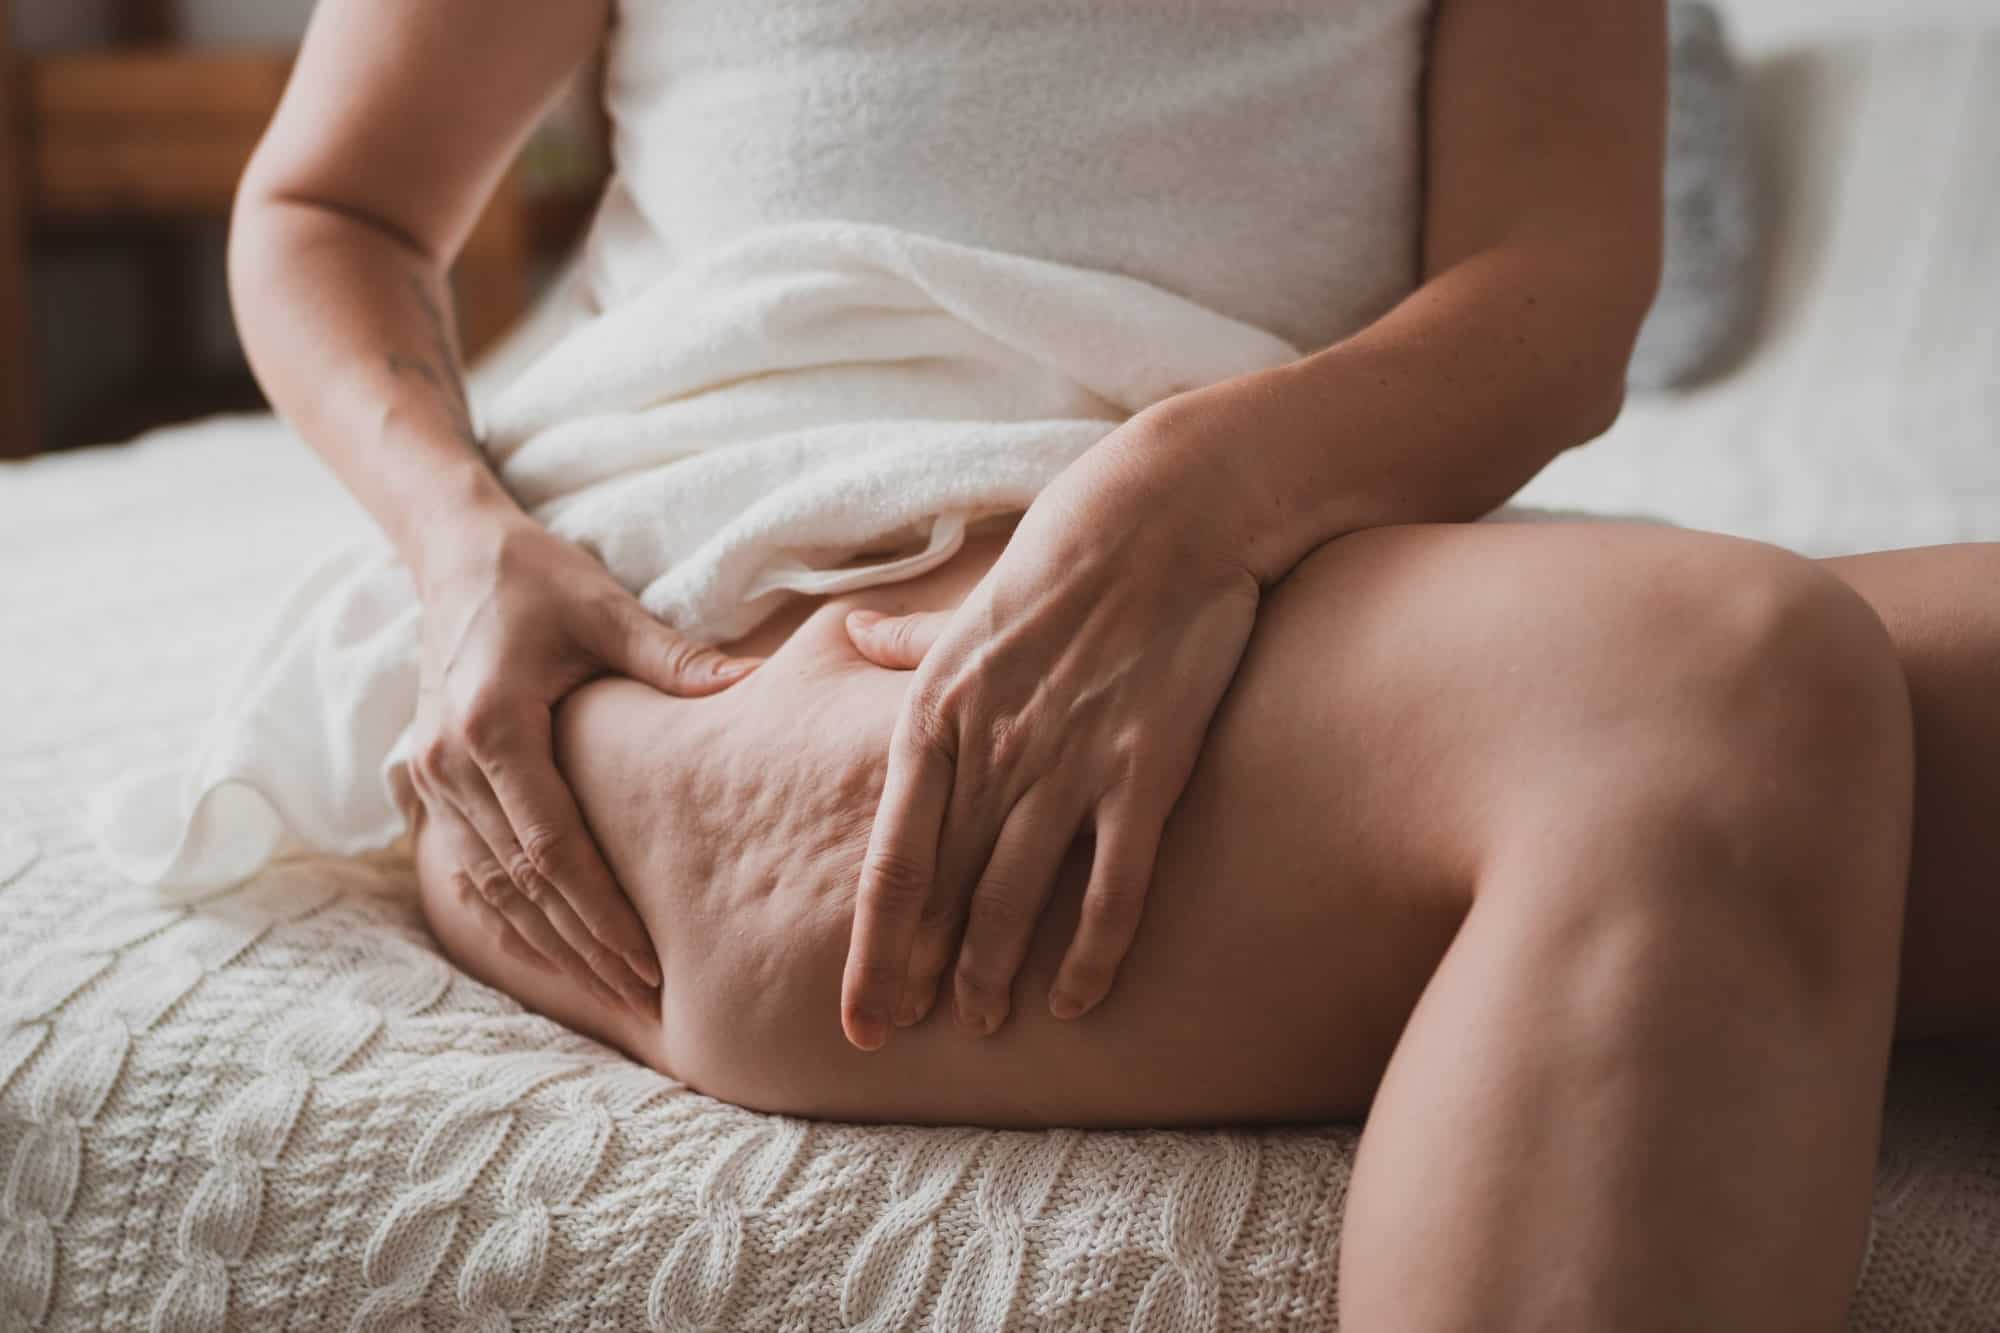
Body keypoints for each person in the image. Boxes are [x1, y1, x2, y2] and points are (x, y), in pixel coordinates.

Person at [227, 0, 2000, 1326]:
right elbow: (334, 209)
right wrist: (458, 549)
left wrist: (1202, 490)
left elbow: (1553, 277)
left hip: (1285, 566)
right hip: (751, 608)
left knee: (1764, 692)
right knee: (1724, 690)